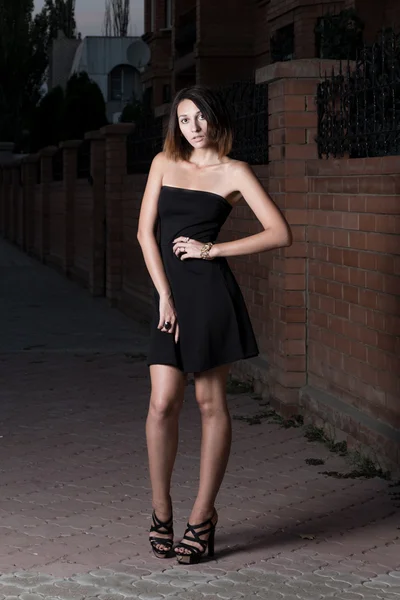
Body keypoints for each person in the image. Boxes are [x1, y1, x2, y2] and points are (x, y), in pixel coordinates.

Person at [137, 85, 291, 565]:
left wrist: (213, 250)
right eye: (184, 120)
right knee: (162, 403)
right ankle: (161, 510)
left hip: (209, 297)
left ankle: (202, 517)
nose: (193, 127)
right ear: (176, 126)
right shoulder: (164, 164)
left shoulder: (234, 172)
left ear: (214, 119)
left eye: (200, 117)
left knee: (209, 402)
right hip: (171, 296)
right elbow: (146, 233)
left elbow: (280, 232)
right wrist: (164, 295)